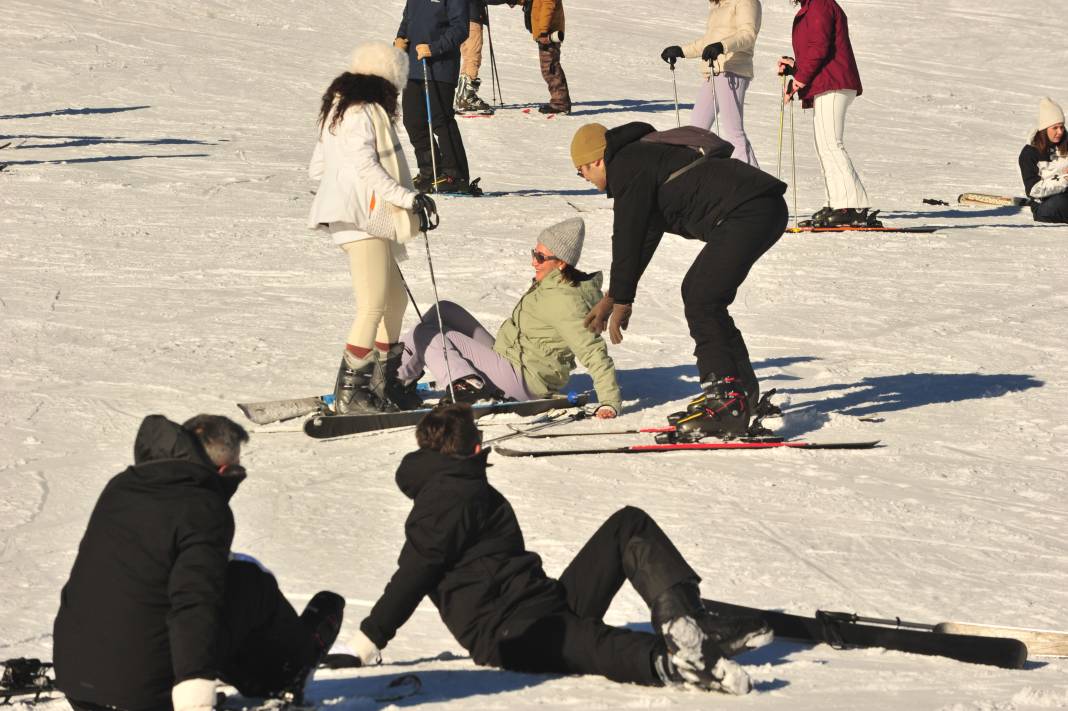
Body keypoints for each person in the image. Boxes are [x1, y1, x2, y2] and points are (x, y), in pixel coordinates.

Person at [344, 404, 772, 693]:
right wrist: (368, 641)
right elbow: (414, 573)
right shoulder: (448, 498)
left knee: (629, 524)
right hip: (510, 633)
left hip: (543, 603)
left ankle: (688, 623)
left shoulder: (457, 488)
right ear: (471, 447)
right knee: (592, 642)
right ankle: (675, 662)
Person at [53, 415, 344, 711]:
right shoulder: (203, 507)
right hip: (144, 696)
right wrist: (196, 689)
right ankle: (288, 670)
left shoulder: (122, 486)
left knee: (223, 577)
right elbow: (194, 600)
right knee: (249, 581)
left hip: (77, 683)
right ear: (222, 469)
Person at [570, 121, 787, 438]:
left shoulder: (627, 164)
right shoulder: (642, 160)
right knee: (704, 295)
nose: (585, 180)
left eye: (582, 171)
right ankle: (739, 392)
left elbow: (628, 234)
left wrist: (623, 299)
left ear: (597, 160)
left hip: (748, 212)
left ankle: (726, 401)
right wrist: (615, 295)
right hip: (761, 208)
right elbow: (644, 235)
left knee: (702, 297)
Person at [308, 41, 438, 415]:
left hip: (365, 218)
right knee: (372, 306)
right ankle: (353, 392)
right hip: (362, 221)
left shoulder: (340, 110)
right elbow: (366, 166)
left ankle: (383, 382)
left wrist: (346, 186)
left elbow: (318, 169)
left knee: (394, 300)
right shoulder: (363, 112)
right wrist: (407, 198)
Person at [396, 217, 621, 417]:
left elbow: (592, 350)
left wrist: (609, 401)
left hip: (523, 380)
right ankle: (397, 378)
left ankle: (465, 386)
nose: (534, 261)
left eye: (541, 257)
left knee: (428, 333)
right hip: (511, 357)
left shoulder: (565, 300)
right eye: (535, 253)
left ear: (561, 263)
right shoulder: (553, 283)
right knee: (444, 309)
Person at [778, 0, 876, 228]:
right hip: (827, 81)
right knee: (824, 144)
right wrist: (795, 67)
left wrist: (799, 80)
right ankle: (836, 202)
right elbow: (816, 49)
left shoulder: (820, 5)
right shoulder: (813, 7)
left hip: (834, 82)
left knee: (831, 143)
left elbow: (820, 47)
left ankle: (849, 206)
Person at [660, 0, 763, 167]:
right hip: (714, 71)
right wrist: (682, 51)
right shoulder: (719, 4)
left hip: (732, 70)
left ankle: (755, 184)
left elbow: (747, 35)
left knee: (733, 132)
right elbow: (709, 41)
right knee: (696, 131)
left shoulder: (746, 1)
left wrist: (722, 46)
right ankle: (688, 176)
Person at [395, 0, 481, 194]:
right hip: (414, 65)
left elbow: (460, 29)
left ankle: (455, 175)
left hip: (439, 66)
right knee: (413, 121)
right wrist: (400, 38)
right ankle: (430, 171)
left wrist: (434, 48)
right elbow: (408, 20)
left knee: (440, 120)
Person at [1019, 97, 1068, 224]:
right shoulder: (1029, 154)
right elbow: (1033, 190)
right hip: (1044, 205)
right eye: (1055, 128)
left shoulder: (1066, 144)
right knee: (1062, 202)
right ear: (1044, 129)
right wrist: (1065, 179)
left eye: (1062, 127)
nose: (1060, 132)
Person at [522, 0, 572, 114]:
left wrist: (543, 31)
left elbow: (548, 5)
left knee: (550, 68)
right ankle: (560, 101)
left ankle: (560, 103)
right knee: (549, 67)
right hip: (546, 31)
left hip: (548, 32)